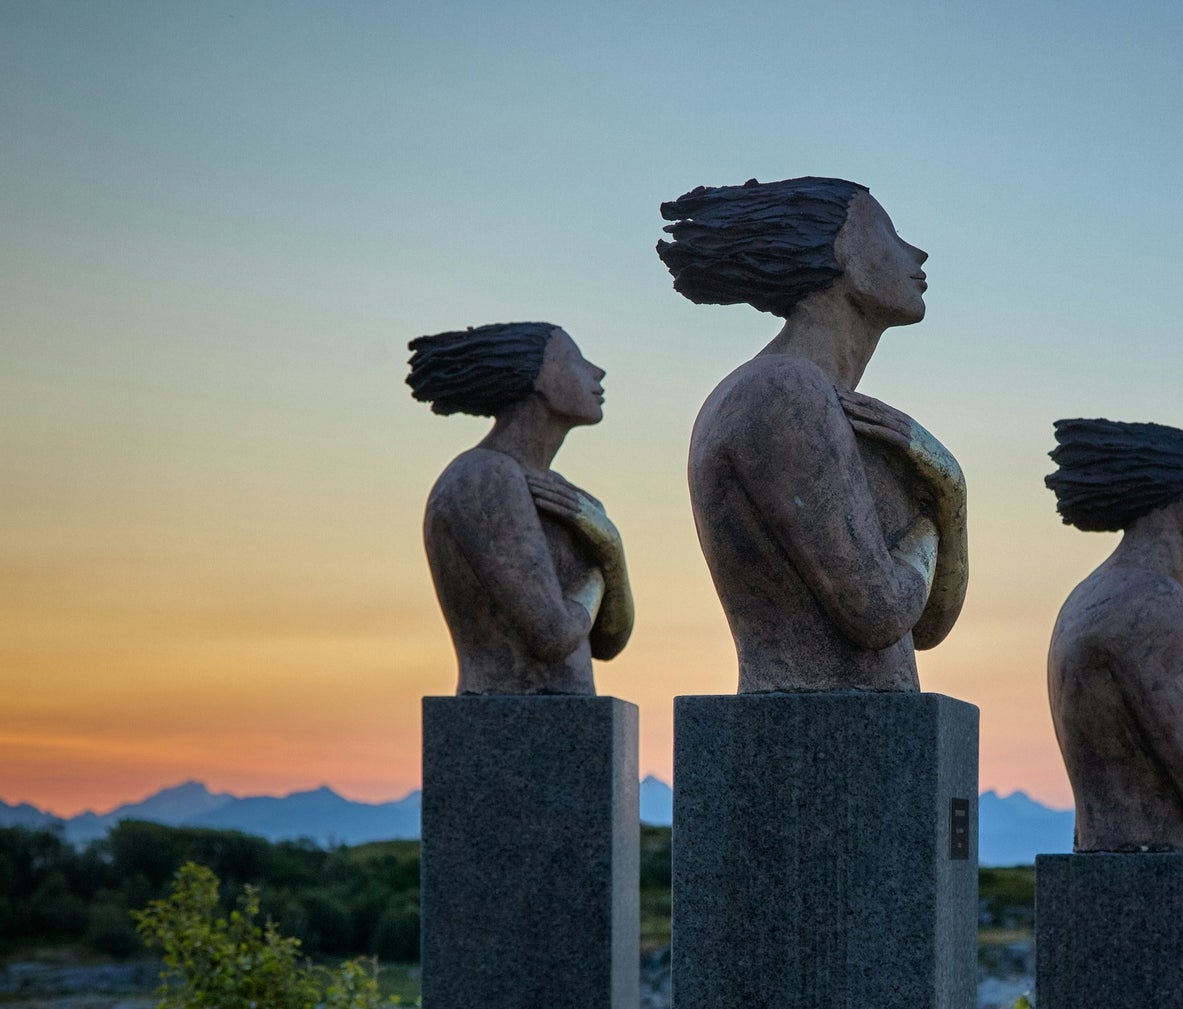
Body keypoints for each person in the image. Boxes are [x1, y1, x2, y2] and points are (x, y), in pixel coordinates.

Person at [659, 177, 968, 693]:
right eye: (888, 233)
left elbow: (928, 625)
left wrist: (950, 488)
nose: (917, 252)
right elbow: (881, 612)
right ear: (840, 252)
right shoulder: (780, 390)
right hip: (817, 736)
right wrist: (931, 525)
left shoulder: (830, 406)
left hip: (863, 732)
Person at [1044, 418, 1183, 851]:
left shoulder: (1090, 595)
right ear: (1180, 488)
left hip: (1101, 850)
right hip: (1166, 869)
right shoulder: (1153, 603)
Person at [406, 322, 633, 694]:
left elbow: (609, 642)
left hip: (571, 721)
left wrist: (611, 548)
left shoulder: (575, 501)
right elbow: (554, 637)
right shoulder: (482, 477)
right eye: (575, 360)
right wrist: (599, 573)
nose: (597, 372)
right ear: (539, 379)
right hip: (503, 713)